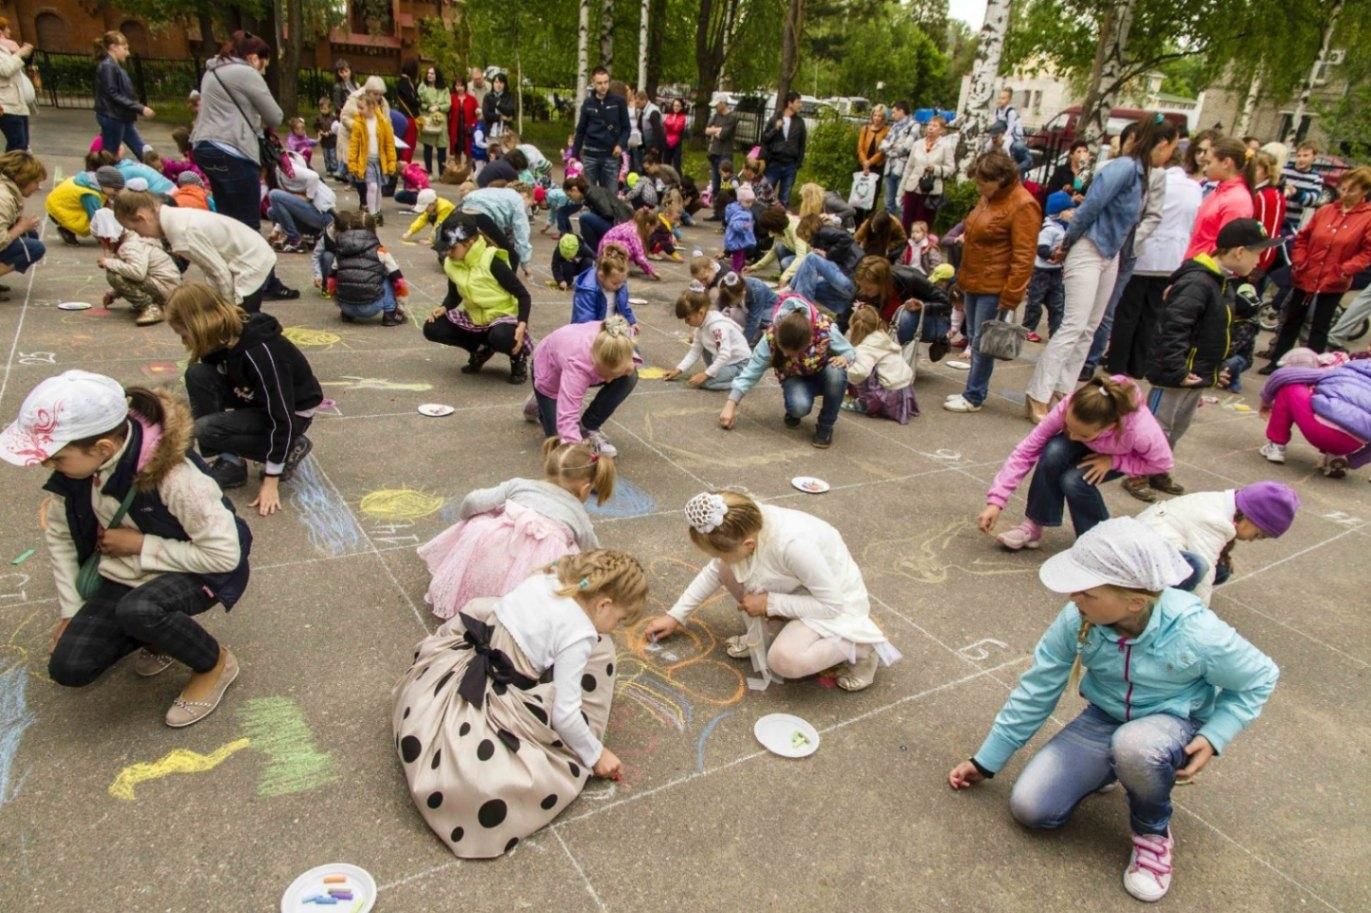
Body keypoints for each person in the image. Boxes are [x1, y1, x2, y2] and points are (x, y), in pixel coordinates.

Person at [947, 516, 1279, 903]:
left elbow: (1261, 677)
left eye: (1085, 592)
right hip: (1106, 717)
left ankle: (1152, 832)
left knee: (1136, 747)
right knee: (1030, 808)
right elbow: (1038, 687)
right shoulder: (1079, 617)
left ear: (1135, 600)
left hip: (1169, 724)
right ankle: (1112, 766)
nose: (1073, 598)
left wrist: (1215, 733)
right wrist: (987, 760)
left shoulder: (1197, 632)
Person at [0, 371, 252, 726]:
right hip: (128, 570)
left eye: (56, 458)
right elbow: (60, 537)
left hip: (199, 568)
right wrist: (71, 610)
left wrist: (141, 544)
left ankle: (214, 664)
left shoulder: (178, 479)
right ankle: (157, 638)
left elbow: (224, 556)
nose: (48, 466)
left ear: (103, 448)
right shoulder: (78, 472)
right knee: (70, 667)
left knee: (140, 610)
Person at [394, 548, 644, 858]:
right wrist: (595, 755)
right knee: (514, 772)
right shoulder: (580, 634)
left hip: (467, 662)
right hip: (501, 693)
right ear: (604, 603)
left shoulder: (547, 577)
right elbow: (564, 714)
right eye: (619, 619)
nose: (616, 627)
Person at [644, 491, 901, 690]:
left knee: (783, 661)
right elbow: (715, 570)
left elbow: (833, 605)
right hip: (798, 589)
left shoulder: (793, 545)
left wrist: (770, 603)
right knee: (725, 569)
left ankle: (862, 647)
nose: (716, 558)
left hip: (835, 604)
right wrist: (676, 615)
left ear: (748, 544)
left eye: (720, 553)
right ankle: (767, 634)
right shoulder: (743, 524)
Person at [1024, 119, 1179, 421]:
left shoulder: (1143, 175)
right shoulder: (1122, 169)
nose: (1171, 155)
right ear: (1161, 144)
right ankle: (1037, 394)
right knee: (1073, 324)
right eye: (1172, 147)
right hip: (1089, 247)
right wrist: (1067, 244)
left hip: (1112, 253)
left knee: (1089, 328)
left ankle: (1063, 393)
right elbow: (1090, 208)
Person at [1129, 219, 1275, 500]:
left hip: (1196, 372)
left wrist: (1215, 367)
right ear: (1239, 252)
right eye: (1257, 253)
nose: (1260, 260)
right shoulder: (1199, 281)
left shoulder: (1221, 281)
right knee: (1157, 425)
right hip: (1176, 372)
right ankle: (1137, 472)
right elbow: (1174, 327)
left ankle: (1157, 467)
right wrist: (1175, 368)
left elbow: (1215, 331)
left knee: (1177, 426)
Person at [166, 283, 321, 512]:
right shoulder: (220, 338)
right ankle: (231, 462)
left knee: (205, 429)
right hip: (254, 396)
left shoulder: (260, 352)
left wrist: (271, 480)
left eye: (184, 333)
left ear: (198, 325)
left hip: (292, 414)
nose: (183, 341)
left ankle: (289, 448)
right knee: (198, 374)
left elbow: (281, 416)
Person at [419, 438, 613, 620]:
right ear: (586, 487)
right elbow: (594, 555)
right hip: (534, 575)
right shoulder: (579, 515)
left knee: (481, 520)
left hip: (493, 551)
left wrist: (470, 519)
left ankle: (470, 591)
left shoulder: (519, 485)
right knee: (572, 558)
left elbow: (472, 501)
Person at [978, 375, 1173, 549]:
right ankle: (1033, 525)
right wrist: (996, 501)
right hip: (1098, 446)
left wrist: (1114, 461)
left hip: (1119, 456)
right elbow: (1026, 450)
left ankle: (1097, 540)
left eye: (1082, 433)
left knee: (1073, 480)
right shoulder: (1071, 405)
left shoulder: (1140, 430)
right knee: (1053, 450)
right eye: (1069, 427)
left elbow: (1161, 463)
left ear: (1110, 426)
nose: (1072, 435)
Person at [943, 151, 1040, 414]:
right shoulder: (989, 197)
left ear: (1000, 178)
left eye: (982, 182)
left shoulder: (1023, 204)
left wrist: (1011, 294)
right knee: (975, 337)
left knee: (982, 341)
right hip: (975, 278)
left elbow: (1024, 255)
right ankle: (972, 391)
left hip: (994, 284)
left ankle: (974, 395)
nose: (978, 187)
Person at [1107, 144, 1203, 379]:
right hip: (1172, 257)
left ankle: (1118, 362)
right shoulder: (1193, 188)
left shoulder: (1156, 181)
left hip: (1145, 252)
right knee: (1152, 313)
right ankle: (1138, 365)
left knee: (1128, 311)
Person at [1261, 167, 1371, 366]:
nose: (1344, 194)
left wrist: (1344, 270)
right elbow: (1303, 236)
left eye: (1351, 190)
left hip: (1334, 278)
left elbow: (1367, 252)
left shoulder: (1367, 217)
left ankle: (1314, 366)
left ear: (1364, 191)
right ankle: (1277, 360)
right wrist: (1299, 260)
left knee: (1319, 326)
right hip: (1307, 272)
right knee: (1291, 320)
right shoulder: (1326, 210)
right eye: (1342, 188)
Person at [114, 189, 284, 312]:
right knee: (239, 320)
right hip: (248, 253)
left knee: (242, 322)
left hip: (252, 261)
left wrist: (226, 309)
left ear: (142, 218)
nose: (141, 236)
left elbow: (219, 272)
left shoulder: (182, 234)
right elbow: (212, 269)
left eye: (135, 230)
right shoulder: (171, 216)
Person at [720, 294, 854, 449]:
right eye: (783, 350)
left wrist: (845, 358)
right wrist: (730, 404)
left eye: (791, 353)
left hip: (823, 374)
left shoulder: (824, 328)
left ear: (809, 341)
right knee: (799, 407)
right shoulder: (771, 336)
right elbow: (751, 371)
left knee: (836, 372)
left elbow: (849, 351)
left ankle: (825, 426)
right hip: (795, 377)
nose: (785, 356)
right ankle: (794, 409)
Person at [1137, 481, 1299, 605]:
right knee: (1198, 567)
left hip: (1151, 544)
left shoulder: (1221, 502)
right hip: (1142, 554)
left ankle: (1161, 596)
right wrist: (1199, 619)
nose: (1251, 541)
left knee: (1221, 569)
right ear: (1251, 517)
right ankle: (1148, 604)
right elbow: (1204, 579)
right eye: (1257, 535)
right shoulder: (1214, 521)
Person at [190, 31, 282, 230]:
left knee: (228, 220)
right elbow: (275, 117)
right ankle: (257, 260)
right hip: (234, 149)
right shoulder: (246, 73)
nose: (263, 72)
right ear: (253, 58)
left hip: (204, 147)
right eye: (263, 65)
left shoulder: (211, 71)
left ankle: (230, 257)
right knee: (248, 224)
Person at [423, 215, 531, 383]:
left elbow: (523, 295)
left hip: (502, 318)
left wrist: (522, 325)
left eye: (452, 248)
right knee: (432, 327)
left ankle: (517, 356)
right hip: (476, 320)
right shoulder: (452, 263)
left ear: (470, 243)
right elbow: (454, 294)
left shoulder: (492, 261)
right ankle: (481, 348)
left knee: (501, 336)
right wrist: (444, 307)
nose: (447, 253)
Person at [527, 315, 639, 458]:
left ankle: (588, 426)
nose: (609, 381)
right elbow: (568, 418)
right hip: (547, 369)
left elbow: (627, 352)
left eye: (613, 375)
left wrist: (630, 365)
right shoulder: (578, 365)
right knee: (558, 444)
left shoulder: (616, 340)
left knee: (629, 377)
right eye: (607, 374)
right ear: (596, 362)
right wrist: (578, 456)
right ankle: (541, 397)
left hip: (574, 358)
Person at [1259, 356, 1371, 478]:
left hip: (1319, 429)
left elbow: (1283, 375)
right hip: (1352, 443)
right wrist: (1352, 461)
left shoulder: (1341, 369)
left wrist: (1266, 401)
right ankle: (1334, 457)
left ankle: (1276, 445)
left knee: (1290, 388)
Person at [90, 209, 177, 326]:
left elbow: (138, 273)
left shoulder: (130, 245)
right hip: (166, 286)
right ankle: (155, 304)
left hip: (165, 287)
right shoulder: (131, 239)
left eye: (100, 239)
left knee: (113, 274)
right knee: (118, 270)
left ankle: (150, 308)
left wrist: (108, 262)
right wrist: (113, 293)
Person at [851, 254, 949, 358]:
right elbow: (849, 311)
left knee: (905, 316)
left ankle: (895, 356)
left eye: (868, 289)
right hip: (894, 323)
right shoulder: (866, 285)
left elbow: (946, 303)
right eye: (861, 287)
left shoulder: (910, 279)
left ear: (883, 283)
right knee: (863, 313)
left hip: (935, 320)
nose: (864, 292)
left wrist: (922, 306)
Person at [323, 210, 408, 326]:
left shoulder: (341, 249)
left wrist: (338, 302)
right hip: (371, 307)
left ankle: (347, 315)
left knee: (342, 273)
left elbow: (331, 280)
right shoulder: (380, 250)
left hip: (346, 306)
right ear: (373, 229)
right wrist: (401, 307)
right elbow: (399, 281)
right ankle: (390, 315)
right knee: (389, 276)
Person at [665, 281, 752, 391]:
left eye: (688, 318)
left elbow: (724, 355)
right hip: (729, 361)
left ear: (700, 312)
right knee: (703, 347)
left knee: (706, 383)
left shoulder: (717, 327)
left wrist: (706, 375)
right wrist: (678, 369)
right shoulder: (701, 327)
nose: (686, 323)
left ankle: (743, 382)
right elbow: (695, 351)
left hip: (740, 364)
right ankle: (717, 373)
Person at [843, 303, 917, 423]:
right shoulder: (882, 336)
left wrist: (845, 369)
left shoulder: (865, 348)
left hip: (887, 395)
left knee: (859, 368)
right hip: (902, 389)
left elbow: (861, 372)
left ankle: (865, 404)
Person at [1183, 136, 1256, 260]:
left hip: (1204, 270)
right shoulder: (1220, 190)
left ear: (1226, 163)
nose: (1204, 168)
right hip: (1195, 264)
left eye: (1209, 163)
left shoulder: (1237, 200)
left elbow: (1224, 249)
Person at [1022, 191, 1073, 343]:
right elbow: (1041, 249)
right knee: (1035, 302)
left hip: (1056, 272)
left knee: (1057, 305)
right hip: (1042, 272)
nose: (1073, 212)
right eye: (1069, 209)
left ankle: (1056, 333)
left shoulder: (1064, 228)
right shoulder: (1049, 229)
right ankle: (1028, 329)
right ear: (1059, 211)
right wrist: (1054, 254)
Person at [92, 32, 150, 160]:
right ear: (113, 47)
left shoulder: (112, 66)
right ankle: (104, 177)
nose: (128, 53)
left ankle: (158, 170)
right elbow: (112, 94)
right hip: (113, 116)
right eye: (125, 48)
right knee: (110, 155)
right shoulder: (108, 66)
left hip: (120, 116)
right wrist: (139, 108)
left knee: (141, 149)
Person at [572, 68, 629, 192]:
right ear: (593, 83)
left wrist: (620, 145)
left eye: (606, 82)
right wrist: (574, 154)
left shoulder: (619, 102)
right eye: (599, 83)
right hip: (590, 156)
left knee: (611, 197)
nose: (603, 86)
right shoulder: (587, 103)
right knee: (589, 196)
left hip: (611, 156)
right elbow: (580, 131)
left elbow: (626, 128)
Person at [267, 150, 336, 253]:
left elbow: (314, 177)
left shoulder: (287, 169)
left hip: (324, 216)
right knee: (271, 211)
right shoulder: (279, 176)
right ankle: (294, 237)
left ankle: (295, 240)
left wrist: (308, 198)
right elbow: (283, 206)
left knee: (274, 194)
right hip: (311, 218)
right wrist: (276, 230)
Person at [899, 115, 955, 232]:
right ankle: (905, 247)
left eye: (935, 126)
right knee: (906, 221)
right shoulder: (917, 144)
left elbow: (951, 169)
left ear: (942, 130)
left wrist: (935, 169)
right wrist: (902, 189)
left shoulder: (946, 146)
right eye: (929, 125)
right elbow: (909, 168)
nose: (930, 128)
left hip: (930, 191)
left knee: (922, 223)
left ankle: (921, 247)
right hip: (912, 188)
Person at [346, 94, 396, 223]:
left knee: (379, 188)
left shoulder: (384, 122)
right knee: (372, 186)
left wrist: (391, 162)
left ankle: (377, 212)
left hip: (380, 161)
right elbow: (354, 145)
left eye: (361, 107)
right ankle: (372, 214)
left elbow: (389, 144)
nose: (359, 111)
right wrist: (352, 163)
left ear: (372, 106)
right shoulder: (358, 124)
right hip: (366, 161)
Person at [0, 150, 45, 284]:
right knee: (34, 247)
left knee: (30, 235)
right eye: (36, 182)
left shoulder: (7, 190)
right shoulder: (4, 199)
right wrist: (19, 227)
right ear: (23, 179)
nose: (37, 187)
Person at [571, 243, 638, 328]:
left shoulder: (619, 281)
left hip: (611, 328)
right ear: (601, 276)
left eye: (622, 282)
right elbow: (584, 322)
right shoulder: (588, 290)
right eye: (615, 283)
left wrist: (632, 322)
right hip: (591, 332)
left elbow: (624, 305)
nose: (619, 286)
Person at [760, 91, 807, 206]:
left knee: (784, 198)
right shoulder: (775, 118)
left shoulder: (800, 122)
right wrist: (775, 129)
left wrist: (798, 164)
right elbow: (765, 138)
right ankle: (762, 221)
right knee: (765, 195)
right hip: (774, 163)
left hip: (790, 165)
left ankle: (780, 221)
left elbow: (802, 144)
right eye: (798, 102)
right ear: (790, 103)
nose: (800, 105)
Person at [715, 267, 779, 345]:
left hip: (769, 309)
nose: (732, 305)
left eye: (734, 302)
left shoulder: (757, 290)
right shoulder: (725, 286)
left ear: (743, 293)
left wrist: (742, 343)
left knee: (757, 321)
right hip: (749, 309)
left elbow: (754, 320)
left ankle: (755, 335)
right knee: (729, 314)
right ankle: (752, 334)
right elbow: (720, 304)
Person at [597, 208, 660, 280]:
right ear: (648, 226)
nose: (653, 231)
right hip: (607, 250)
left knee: (631, 248)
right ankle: (615, 265)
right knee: (629, 248)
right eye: (654, 228)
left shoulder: (633, 225)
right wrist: (652, 271)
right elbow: (640, 257)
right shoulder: (634, 232)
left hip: (606, 247)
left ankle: (616, 263)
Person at [878, 101, 917, 216]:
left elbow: (906, 148)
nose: (892, 115)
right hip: (890, 167)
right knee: (888, 202)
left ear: (901, 111)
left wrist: (890, 148)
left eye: (894, 112)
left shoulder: (914, 125)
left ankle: (902, 229)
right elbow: (882, 146)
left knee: (901, 202)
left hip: (903, 169)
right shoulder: (894, 126)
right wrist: (892, 146)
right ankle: (887, 227)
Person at [749, 205, 808, 281]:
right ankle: (786, 275)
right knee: (779, 247)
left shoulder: (795, 228)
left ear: (774, 226)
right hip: (795, 251)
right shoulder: (780, 228)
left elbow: (801, 257)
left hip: (807, 255)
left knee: (785, 262)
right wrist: (755, 267)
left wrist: (786, 276)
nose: (769, 232)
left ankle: (795, 279)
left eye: (770, 229)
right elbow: (774, 250)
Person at [1281, 140, 1324, 234]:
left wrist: (1296, 193)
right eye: (1299, 156)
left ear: (1314, 157)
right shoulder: (1284, 170)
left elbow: (1313, 200)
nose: (1301, 159)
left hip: (1291, 222)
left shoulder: (1316, 177)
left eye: (1305, 155)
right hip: (1276, 216)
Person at [854, 105, 889, 221]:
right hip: (862, 165)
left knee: (872, 197)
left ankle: (869, 223)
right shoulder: (865, 129)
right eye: (875, 115)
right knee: (859, 195)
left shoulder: (887, 131)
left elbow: (882, 152)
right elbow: (860, 148)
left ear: (883, 117)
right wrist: (864, 162)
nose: (877, 118)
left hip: (876, 167)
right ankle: (856, 223)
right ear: (872, 115)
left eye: (880, 116)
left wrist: (870, 162)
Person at [417, 66, 451, 176]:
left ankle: (442, 173)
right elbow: (419, 102)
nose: (429, 75)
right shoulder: (423, 87)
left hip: (441, 120)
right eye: (428, 73)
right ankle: (429, 172)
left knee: (442, 147)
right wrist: (427, 107)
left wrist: (439, 107)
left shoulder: (444, 89)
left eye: (432, 73)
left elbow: (448, 104)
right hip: (428, 119)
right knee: (428, 146)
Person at [704, 97, 738, 199]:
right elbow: (706, 131)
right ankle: (716, 203)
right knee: (715, 183)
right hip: (714, 152)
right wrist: (717, 130)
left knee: (726, 183)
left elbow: (723, 135)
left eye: (717, 105)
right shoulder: (715, 116)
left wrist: (714, 130)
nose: (715, 107)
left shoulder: (732, 117)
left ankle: (726, 203)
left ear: (723, 103)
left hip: (725, 153)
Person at [992, 87, 1031, 174]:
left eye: (1003, 98)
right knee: (988, 145)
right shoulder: (997, 110)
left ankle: (1007, 165)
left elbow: (1011, 127)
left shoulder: (1011, 112)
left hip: (1014, 134)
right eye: (999, 97)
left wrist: (1004, 138)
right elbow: (995, 123)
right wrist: (994, 136)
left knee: (1005, 146)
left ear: (1009, 100)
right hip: (1002, 131)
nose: (1000, 100)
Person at [723, 185, 757, 273]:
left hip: (739, 240)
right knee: (738, 258)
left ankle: (737, 272)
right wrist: (744, 226)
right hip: (737, 240)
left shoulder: (742, 210)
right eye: (747, 202)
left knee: (740, 257)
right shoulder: (739, 212)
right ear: (740, 200)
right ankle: (734, 273)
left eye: (751, 202)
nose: (749, 204)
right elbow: (735, 225)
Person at [395, 60, 421, 165]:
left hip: (405, 115)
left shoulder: (404, 82)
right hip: (408, 116)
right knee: (408, 143)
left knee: (406, 142)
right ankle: (405, 165)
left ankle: (404, 164)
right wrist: (418, 101)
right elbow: (413, 101)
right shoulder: (405, 83)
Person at [448, 82, 479, 166]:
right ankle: (458, 172)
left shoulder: (472, 99)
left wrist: (473, 124)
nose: (459, 88)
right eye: (457, 85)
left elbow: (477, 114)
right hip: (456, 129)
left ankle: (468, 174)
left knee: (469, 152)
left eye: (461, 85)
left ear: (465, 86)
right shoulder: (451, 98)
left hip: (468, 129)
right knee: (457, 152)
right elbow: (447, 113)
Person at [482, 72, 516, 140]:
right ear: (493, 83)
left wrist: (498, 104)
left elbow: (510, 111)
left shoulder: (509, 96)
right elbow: (486, 114)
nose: (498, 85)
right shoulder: (488, 96)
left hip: (505, 133)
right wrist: (500, 117)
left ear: (505, 84)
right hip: (490, 132)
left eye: (501, 82)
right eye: (496, 82)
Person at [315, 95, 339, 177]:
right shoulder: (319, 118)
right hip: (324, 141)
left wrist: (330, 132)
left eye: (325, 109)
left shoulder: (333, 117)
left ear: (329, 108)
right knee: (326, 155)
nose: (323, 111)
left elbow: (336, 127)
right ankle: (328, 169)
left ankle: (334, 168)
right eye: (321, 109)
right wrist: (320, 131)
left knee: (332, 154)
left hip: (332, 140)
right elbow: (316, 126)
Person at [662, 97, 687, 172]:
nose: (676, 107)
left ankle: (679, 181)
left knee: (677, 164)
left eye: (678, 106)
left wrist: (668, 124)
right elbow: (665, 127)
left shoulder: (682, 117)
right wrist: (670, 124)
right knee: (666, 163)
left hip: (677, 143)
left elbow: (677, 128)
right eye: (674, 105)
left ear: (681, 107)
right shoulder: (669, 115)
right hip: (667, 142)